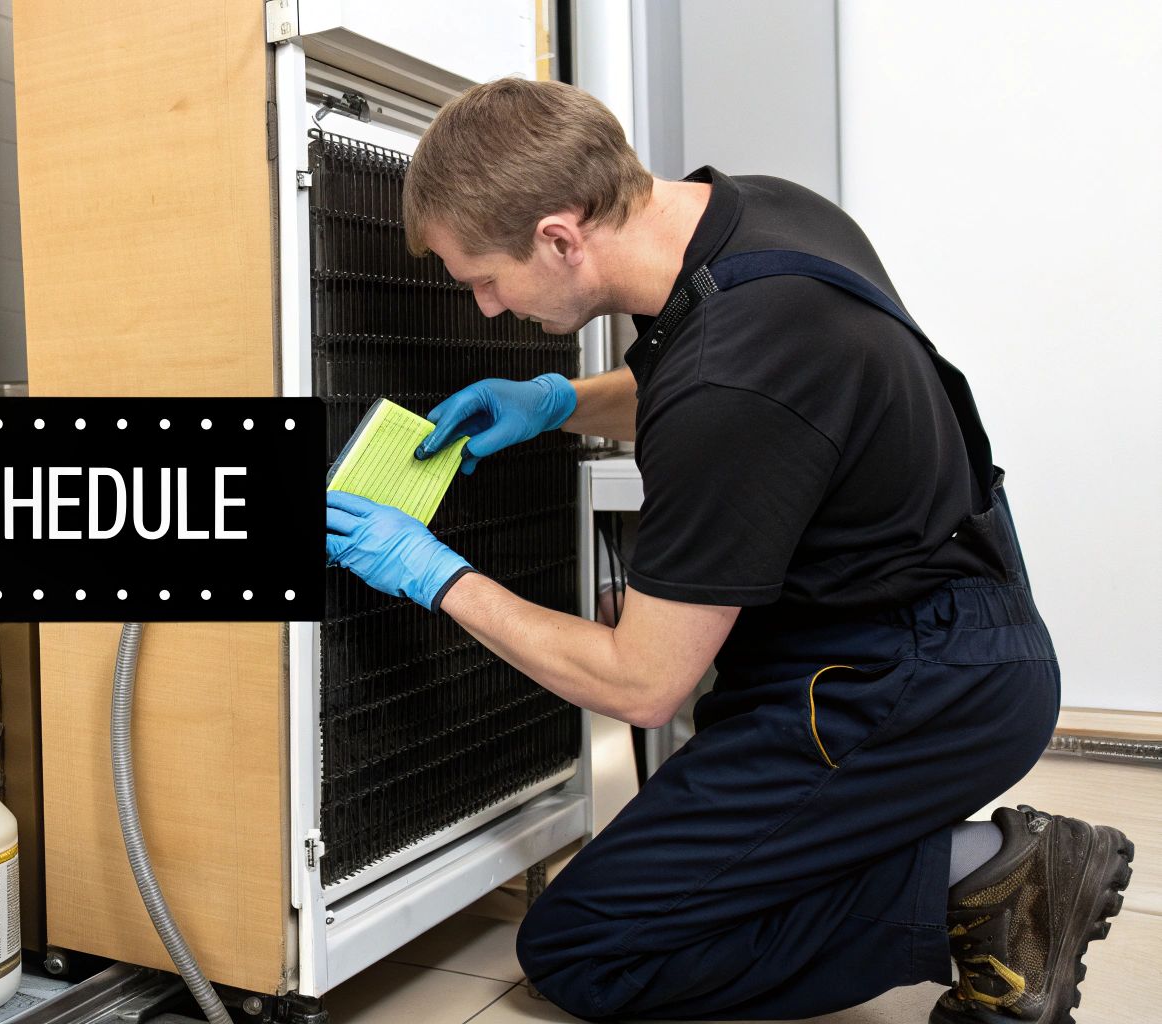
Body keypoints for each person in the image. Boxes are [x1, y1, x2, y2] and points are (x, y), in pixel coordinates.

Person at [323, 78, 1136, 1023]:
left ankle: (989, 879)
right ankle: (936, 866)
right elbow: (709, 387)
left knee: (583, 947)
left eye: (484, 280)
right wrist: (557, 403)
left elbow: (641, 685)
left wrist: (435, 574)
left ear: (559, 236)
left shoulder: (732, 382)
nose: (489, 310)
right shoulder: (761, 213)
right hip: (924, 630)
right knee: (696, 874)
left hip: (913, 687)